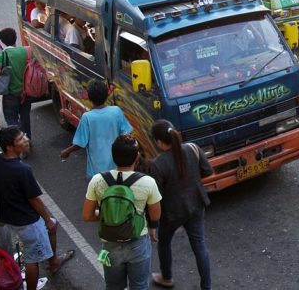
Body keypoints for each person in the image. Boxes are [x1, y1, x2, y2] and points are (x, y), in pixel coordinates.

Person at [0, 127, 75, 290]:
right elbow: (34, 199)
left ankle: (53, 262)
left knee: (53, 226)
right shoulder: (22, 170)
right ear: (10, 147)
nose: (25, 139)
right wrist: (46, 219)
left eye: (23, 136)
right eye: (20, 139)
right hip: (27, 221)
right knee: (33, 258)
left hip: (8, 216)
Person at [82, 134, 162, 290]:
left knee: (113, 287)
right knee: (139, 286)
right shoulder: (148, 182)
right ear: (137, 156)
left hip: (110, 245)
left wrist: (108, 216)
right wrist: (151, 227)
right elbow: (155, 215)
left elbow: (87, 215)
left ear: (113, 156)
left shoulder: (97, 180)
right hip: (137, 242)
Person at [148, 120, 213, 290]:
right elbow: (207, 171)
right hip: (196, 204)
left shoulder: (157, 164)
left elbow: (157, 197)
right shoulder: (192, 148)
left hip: (172, 212)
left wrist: (152, 224)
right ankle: (207, 287)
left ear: (160, 142)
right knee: (199, 246)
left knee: (164, 242)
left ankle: (166, 277)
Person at [60, 79, 133, 179]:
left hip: (97, 171)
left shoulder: (87, 117)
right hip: (117, 166)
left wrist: (67, 151)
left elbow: (80, 143)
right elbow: (127, 135)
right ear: (107, 95)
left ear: (89, 98)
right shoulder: (116, 111)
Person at [0, 28, 34, 141]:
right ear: (16, 38)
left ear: (2, 41)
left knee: (11, 119)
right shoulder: (26, 51)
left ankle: (18, 142)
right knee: (25, 117)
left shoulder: (1, 56)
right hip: (26, 92)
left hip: (11, 94)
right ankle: (27, 140)